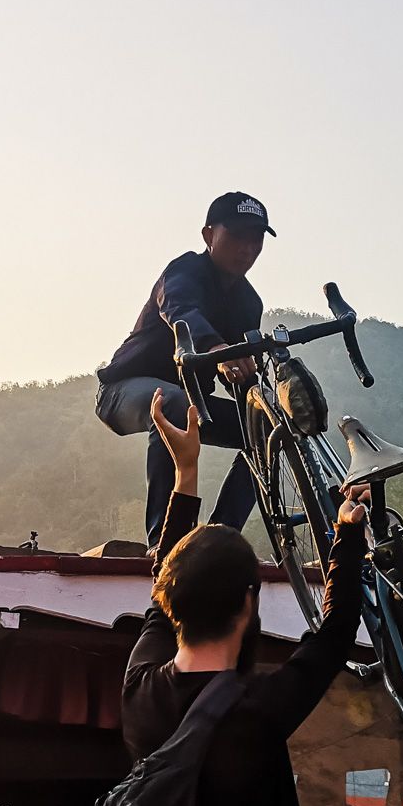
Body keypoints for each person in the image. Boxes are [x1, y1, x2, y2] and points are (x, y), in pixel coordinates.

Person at [119, 388, 364, 806]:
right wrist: (347, 530)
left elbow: (158, 593)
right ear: (250, 604)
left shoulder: (141, 695)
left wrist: (186, 474)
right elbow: (336, 630)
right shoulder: (253, 715)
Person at [95, 192, 275, 547]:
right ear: (208, 235)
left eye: (256, 238)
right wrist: (216, 348)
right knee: (173, 402)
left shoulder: (249, 302)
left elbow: (240, 376)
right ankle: (165, 541)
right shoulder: (185, 270)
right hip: (122, 392)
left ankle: (218, 540)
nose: (247, 248)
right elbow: (180, 309)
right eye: (237, 235)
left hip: (194, 405)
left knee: (265, 427)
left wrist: (256, 390)